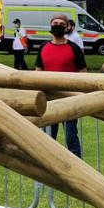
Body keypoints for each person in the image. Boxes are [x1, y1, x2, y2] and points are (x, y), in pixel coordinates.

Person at [36, 14, 84, 157]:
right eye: (55, 23)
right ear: (50, 25)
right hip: (49, 100)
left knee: (71, 136)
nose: (58, 25)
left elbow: (83, 73)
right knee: (49, 137)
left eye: (62, 23)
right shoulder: (43, 47)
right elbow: (38, 71)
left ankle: (77, 168)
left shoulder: (74, 48)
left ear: (67, 27)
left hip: (69, 99)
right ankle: (50, 166)